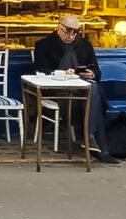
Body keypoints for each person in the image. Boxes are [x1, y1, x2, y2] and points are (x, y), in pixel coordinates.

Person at [33, 15, 119, 165]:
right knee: (93, 95)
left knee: (93, 89)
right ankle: (96, 144)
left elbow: (97, 72)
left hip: (82, 85)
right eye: (67, 31)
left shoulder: (85, 45)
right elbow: (40, 70)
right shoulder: (43, 45)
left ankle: (91, 137)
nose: (71, 36)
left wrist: (91, 73)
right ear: (58, 28)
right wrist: (60, 73)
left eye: (75, 32)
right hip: (57, 89)